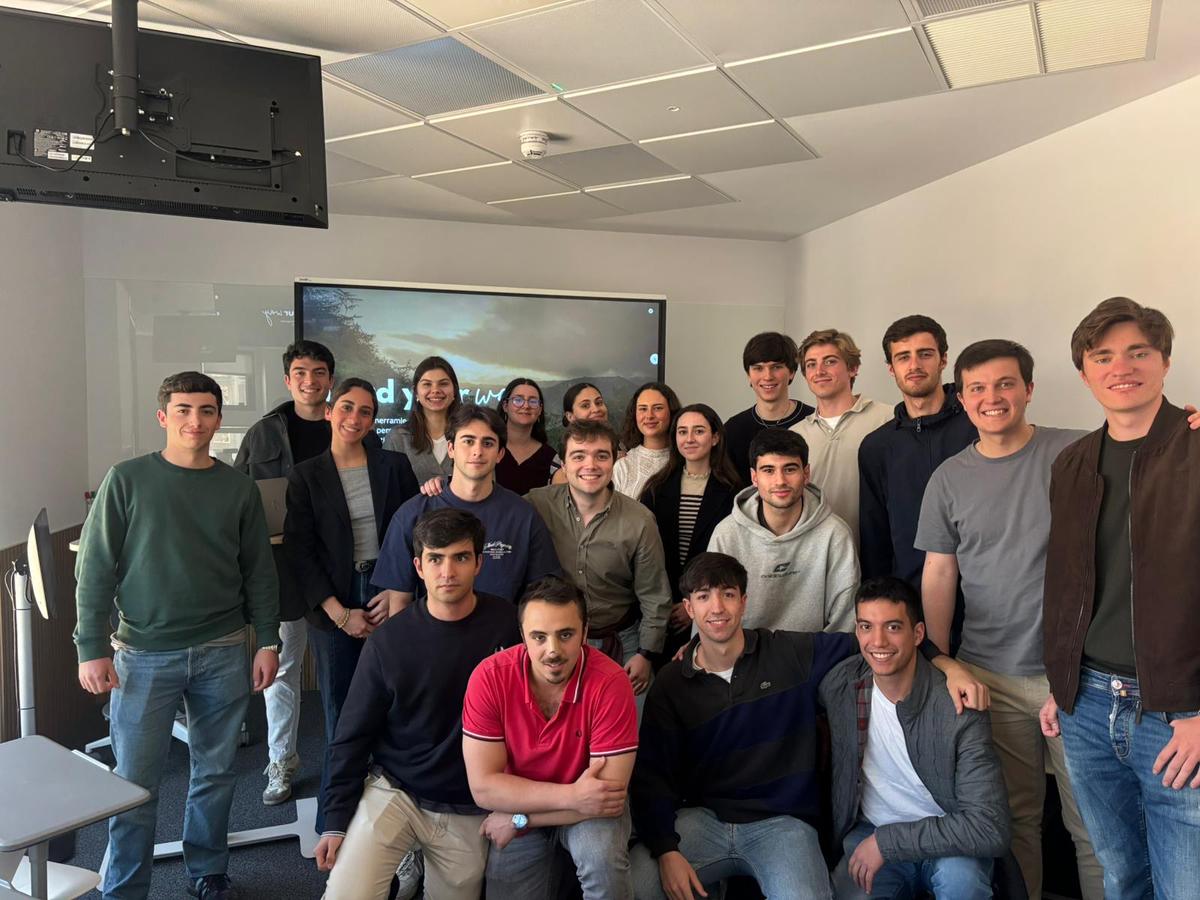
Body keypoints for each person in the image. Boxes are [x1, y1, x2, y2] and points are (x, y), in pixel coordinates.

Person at [629, 554, 988, 900]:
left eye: (728, 594)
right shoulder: (672, 683)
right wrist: (666, 850)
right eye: (704, 597)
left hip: (782, 825)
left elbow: (880, 642)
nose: (717, 607)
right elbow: (652, 777)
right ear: (689, 608)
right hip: (704, 822)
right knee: (638, 883)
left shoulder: (788, 652)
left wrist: (948, 665)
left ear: (744, 602)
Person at [75, 371, 280, 900]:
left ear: (218, 419)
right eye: (184, 410)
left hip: (224, 648)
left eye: (207, 410)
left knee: (216, 772)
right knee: (134, 783)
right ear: (163, 416)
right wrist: (90, 647)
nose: (196, 420)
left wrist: (268, 640)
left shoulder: (238, 487)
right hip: (143, 654)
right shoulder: (127, 479)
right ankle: (125, 888)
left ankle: (207, 870)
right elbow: (94, 568)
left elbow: (259, 571)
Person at [915, 339, 1102, 900]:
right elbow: (940, 573)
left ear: (1028, 389)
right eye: (977, 388)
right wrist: (940, 660)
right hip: (988, 676)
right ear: (962, 398)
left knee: (1093, 824)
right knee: (1017, 822)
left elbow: (1149, 455)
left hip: (1076, 676)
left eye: (1004, 384)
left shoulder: (1077, 452)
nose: (991, 397)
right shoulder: (948, 477)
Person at [1041, 297, 1200, 899]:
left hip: (1178, 713)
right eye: (1103, 356)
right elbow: (1066, 583)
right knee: (1121, 875)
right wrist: (1061, 683)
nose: (1121, 367)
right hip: (1085, 703)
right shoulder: (1072, 464)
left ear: (1165, 362)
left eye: (1138, 352)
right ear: (1084, 373)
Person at [314, 509, 521, 900]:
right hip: (396, 790)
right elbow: (351, 736)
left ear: (479, 563)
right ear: (418, 567)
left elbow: (533, 723)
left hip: (469, 804)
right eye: (435, 559)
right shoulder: (388, 642)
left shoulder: (511, 626)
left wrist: (514, 804)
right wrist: (335, 820)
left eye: (460, 557)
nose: (448, 572)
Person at [283, 378, 419, 835]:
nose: (354, 418)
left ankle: (395, 820)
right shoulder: (306, 475)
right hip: (334, 601)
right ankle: (336, 823)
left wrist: (399, 589)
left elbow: (414, 531)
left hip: (389, 592)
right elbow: (300, 551)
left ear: (373, 420)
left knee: (397, 707)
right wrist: (339, 613)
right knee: (341, 714)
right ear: (329, 411)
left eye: (365, 411)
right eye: (346, 407)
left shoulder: (393, 465)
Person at [822, 576, 1011, 900]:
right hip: (871, 830)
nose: (878, 641)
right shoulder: (841, 686)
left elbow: (988, 827)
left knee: (962, 886)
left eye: (893, 627)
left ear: (918, 634)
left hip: (950, 839)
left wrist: (887, 842)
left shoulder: (958, 705)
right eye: (866, 627)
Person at [462, 576, 639, 899]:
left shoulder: (611, 682)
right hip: (558, 799)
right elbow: (483, 788)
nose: (553, 650)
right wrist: (572, 796)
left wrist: (520, 819)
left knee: (601, 860)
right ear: (522, 636)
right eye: (539, 637)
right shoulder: (488, 678)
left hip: (580, 813)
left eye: (566, 635)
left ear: (585, 632)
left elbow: (605, 799)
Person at [232, 340, 353, 807]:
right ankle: (281, 759)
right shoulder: (263, 434)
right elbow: (239, 500)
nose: (310, 380)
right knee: (282, 667)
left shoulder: (346, 426)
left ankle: (347, 764)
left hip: (334, 569)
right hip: (281, 568)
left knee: (338, 671)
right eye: (300, 372)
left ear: (330, 380)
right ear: (288, 379)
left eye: (319, 372)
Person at [527, 420, 672, 697]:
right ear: (564, 464)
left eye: (601, 456)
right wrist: (443, 485)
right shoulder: (536, 505)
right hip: (553, 642)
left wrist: (646, 654)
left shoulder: (640, 520)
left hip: (622, 641)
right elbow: (492, 505)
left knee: (635, 721)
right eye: (578, 456)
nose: (590, 465)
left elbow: (654, 595)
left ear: (615, 461)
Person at [374, 404, 561, 614]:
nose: (477, 451)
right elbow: (399, 602)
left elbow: (541, 594)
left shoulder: (523, 516)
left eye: (487, 443)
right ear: (451, 449)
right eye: (468, 441)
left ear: (500, 454)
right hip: (432, 633)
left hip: (504, 633)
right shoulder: (412, 514)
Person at [857, 315, 976, 586]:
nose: (914, 365)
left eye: (925, 354)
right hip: (909, 595)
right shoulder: (877, 447)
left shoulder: (978, 427)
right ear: (891, 368)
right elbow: (875, 540)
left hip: (983, 592)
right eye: (903, 357)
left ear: (943, 359)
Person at [707, 427, 858, 632]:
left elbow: (845, 619)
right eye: (768, 470)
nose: (780, 481)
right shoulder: (726, 534)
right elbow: (712, 611)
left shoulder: (835, 534)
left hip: (816, 650)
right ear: (754, 477)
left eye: (790, 469)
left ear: (806, 474)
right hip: (743, 649)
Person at [639, 403, 739, 659]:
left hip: (711, 605)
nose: (689, 438)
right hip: (660, 606)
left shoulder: (735, 493)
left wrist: (693, 604)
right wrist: (666, 604)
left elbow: (733, 558)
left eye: (699, 431)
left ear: (715, 437)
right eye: (682, 432)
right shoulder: (655, 488)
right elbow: (644, 555)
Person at [791, 328, 892, 548]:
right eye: (811, 364)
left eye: (830, 361)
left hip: (878, 550)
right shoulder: (795, 436)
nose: (819, 371)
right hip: (816, 553)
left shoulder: (888, 419)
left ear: (853, 368)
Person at [723, 331, 815, 484]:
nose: (767, 376)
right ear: (748, 375)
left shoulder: (814, 421)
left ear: (792, 372)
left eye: (776, 367)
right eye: (758, 368)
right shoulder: (733, 430)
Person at [383, 356, 461, 484]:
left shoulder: (471, 436)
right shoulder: (397, 438)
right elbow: (388, 489)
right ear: (416, 393)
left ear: (455, 391)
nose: (435, 390)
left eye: (443, 384)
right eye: (427, 384)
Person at [612, 382, 681, 500]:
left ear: (672, 412)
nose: (649, 416)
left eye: (658, 408)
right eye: (643, 409)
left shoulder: (685, 461)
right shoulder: (623, 466)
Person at [494, 377, 559, 494]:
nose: (526, 406)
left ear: (540, 410)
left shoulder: (550, 458)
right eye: (518, 400)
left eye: (533, 401)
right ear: (505, 406)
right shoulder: (490, 448)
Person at [551, 382, 609, 485]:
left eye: (599, 403)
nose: (596, 409)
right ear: (570, 416)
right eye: (585, 405)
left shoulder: (621, 447)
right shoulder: (563, 456)